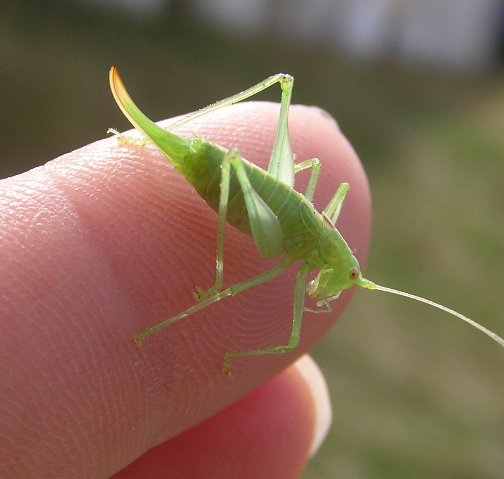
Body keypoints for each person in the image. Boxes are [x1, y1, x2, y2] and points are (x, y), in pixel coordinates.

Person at [0, 100, 371, 478]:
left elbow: (317, 175)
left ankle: (160, 146)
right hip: (234, 180)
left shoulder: (328, 248)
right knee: (275, 327)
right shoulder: (315, 248)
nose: (340, 285)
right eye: (349, 276)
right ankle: (212, 275)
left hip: (260, 196)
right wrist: (218, 291)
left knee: (306, 166)